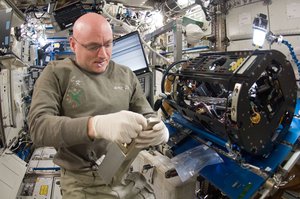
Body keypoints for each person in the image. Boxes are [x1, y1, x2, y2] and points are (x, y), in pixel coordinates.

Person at [28, 12, 169, 199]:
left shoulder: (125, 75)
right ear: (73, 44)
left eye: (108, 44)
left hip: (122, 173)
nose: (103, 54)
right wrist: (94, 126)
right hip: (81, 181)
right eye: (93, 47)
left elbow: (146, 113)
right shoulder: (56, 74)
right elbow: (39, 128)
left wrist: (158, 129)